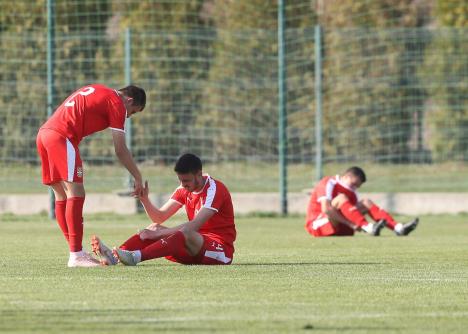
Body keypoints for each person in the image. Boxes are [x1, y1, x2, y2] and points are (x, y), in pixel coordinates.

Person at [36, 84, 146, 267]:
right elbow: (120, 149)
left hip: (44, 134)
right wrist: (138, 176)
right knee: (77, 193)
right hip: (62, 137)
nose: (128, 116)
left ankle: (77, 252)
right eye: (132, 112)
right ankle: (76, 255)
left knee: (61, 195)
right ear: (129, 100)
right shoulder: (117, 103)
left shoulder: (98, 89)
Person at [91, 153, 236, 266]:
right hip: (194, 248)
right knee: (154, 227)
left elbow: (194, 226)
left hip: (220, 252)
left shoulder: (215, 189)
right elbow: (159, 217)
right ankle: (113, 256)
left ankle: (136, 257)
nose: (183, 184)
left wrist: (156, 235)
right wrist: (145, 200)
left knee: (178, 232)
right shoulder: (184, 188)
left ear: (199, 174)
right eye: (180, 180)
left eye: (186, 181)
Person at [305, 166, 419, 237]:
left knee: (366, 202)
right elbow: (326, 209)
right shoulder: (328, 182)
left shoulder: (352, 192)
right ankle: (368, 227)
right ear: (346, 176)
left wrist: (352, 223)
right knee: (341, 198)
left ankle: (398, 228)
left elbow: (351, 212)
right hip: (318, 225)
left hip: (342, 228)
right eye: (354, 184)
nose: (354, 188)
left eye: (357, 186)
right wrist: (350, 224)